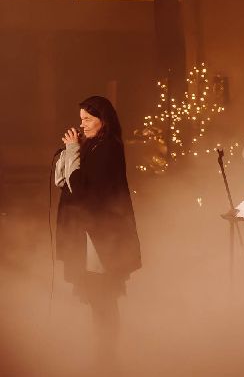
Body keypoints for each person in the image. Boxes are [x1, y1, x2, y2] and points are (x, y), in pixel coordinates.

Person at [54, 96, 141, 350]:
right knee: (96, 298)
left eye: (88, 119)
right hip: (89, 234)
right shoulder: (91, 145)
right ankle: (103, 350)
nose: (82, 125)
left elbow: (80, 187)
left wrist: (73, 150)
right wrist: (71, 150)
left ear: (103, 120)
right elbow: (62, 180)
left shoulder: (108, 148)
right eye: (81, 119)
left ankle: (107, 354)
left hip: (101, 237)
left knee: (102, 297)